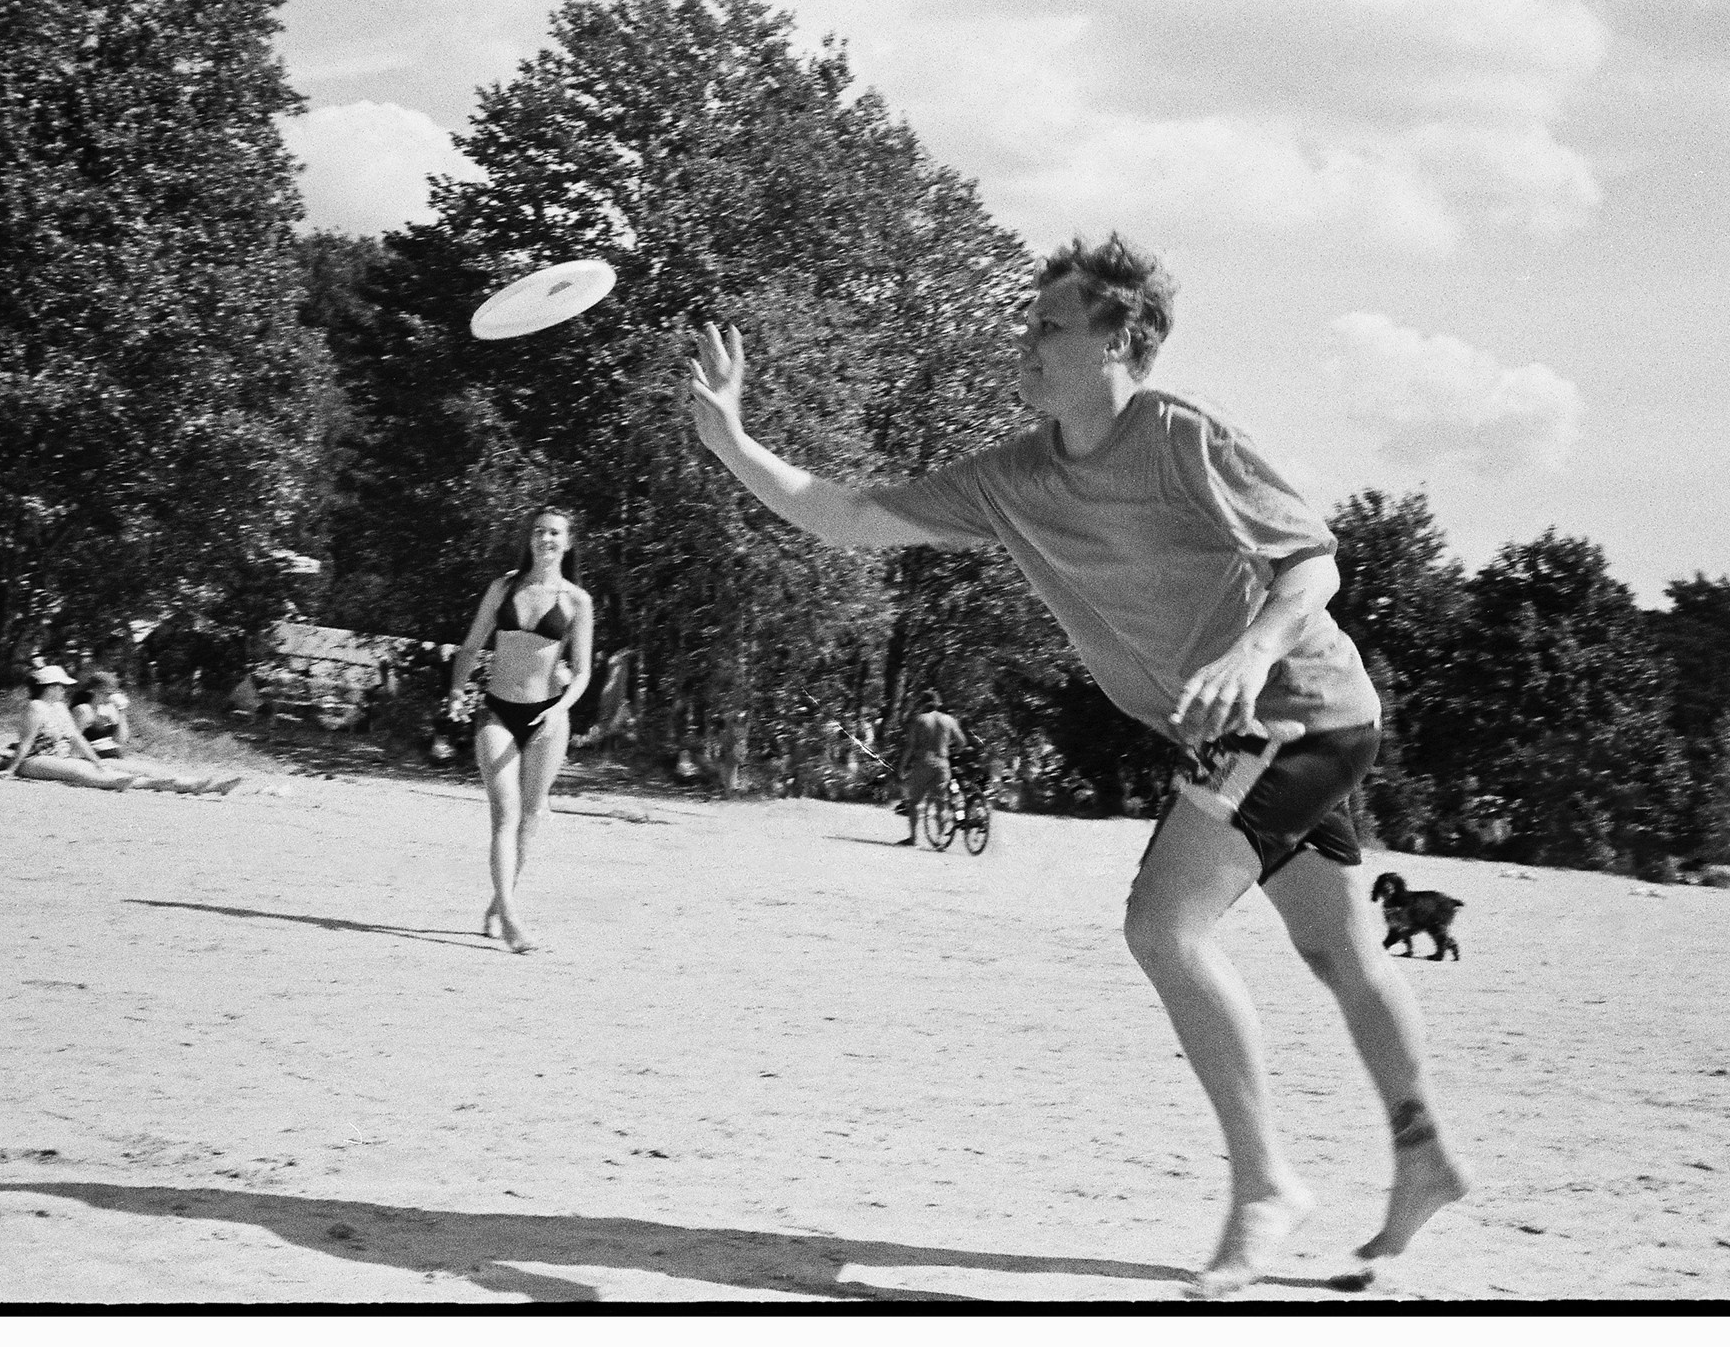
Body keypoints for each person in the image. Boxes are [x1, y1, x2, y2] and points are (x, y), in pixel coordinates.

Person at [687, 235, 1469, 1296]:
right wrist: (733, 439)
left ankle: (1264, 1184)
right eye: (1028, 322)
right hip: (1255, 735)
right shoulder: (1011, 477)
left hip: (1294, 712)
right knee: (1340, 950)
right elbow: (850, 516)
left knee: (1162, 925)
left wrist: (1251, 652)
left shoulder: (1181, 434)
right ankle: (1424, 1156)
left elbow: (1312, 565)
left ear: (1118, 339)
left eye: (1049, 324)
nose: (1025, 340)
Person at [447, 506, 594, 954]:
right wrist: (456, 690)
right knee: (504, 814)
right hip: (497, 711)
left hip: (549, 716)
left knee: (531, 816)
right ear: (529, 539)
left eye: (555, 533)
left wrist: (560, 708)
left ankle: (498, 903)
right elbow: (472, 644)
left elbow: (583, 672)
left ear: (567, 543)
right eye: (539, 531)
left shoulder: (577, 601)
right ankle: (512, 919)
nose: (545, 539)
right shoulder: (504, 588)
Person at [0, 666, 239, 795]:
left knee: (100, 769)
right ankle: (145, 784)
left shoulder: (59, 707)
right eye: (60, 686)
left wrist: (96, 760)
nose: (64, 690)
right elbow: (26, 743)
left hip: (59, 757)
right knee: (82, 772)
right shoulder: (35, 707)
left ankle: (194, 785)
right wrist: (11, 769)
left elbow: (76, 737)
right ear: (49, 686)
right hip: (34, 760)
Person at [895, 690, 967, 844]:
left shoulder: (919, 720)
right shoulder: (949, 720)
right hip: (942, 764)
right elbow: (962, 742)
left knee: (915, 802)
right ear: (938, 703)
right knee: (941, 802)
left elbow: (910, 747)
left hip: (923, 762)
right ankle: (939, 840)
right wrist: (952, 752)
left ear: (923, 703)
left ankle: (914, 839)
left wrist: (901, 767)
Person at [70, 668, 132, 760]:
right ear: (93, 691)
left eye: (111, 693)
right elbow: (74, 741)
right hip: (90, 756)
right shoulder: (83, 710)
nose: (109, 697)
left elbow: (120, 740)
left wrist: (122, 712)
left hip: (110, 755)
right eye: (106, 693)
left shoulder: (109, 709)